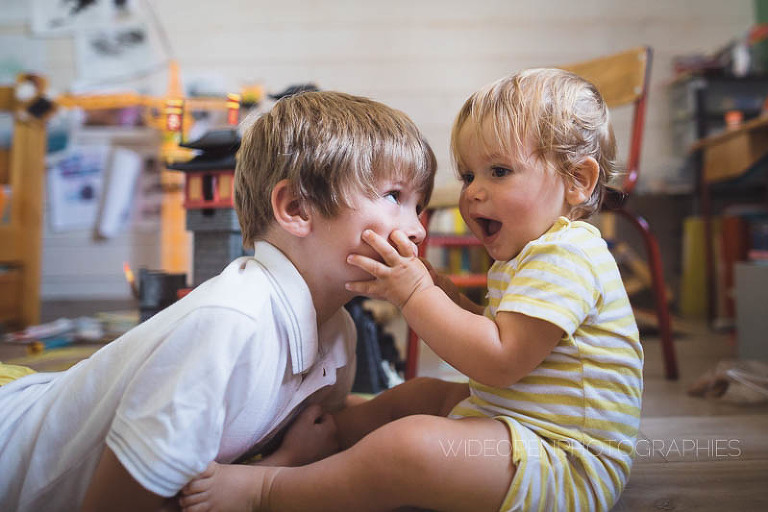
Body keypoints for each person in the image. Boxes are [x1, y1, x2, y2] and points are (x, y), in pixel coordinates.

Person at [179, 68, 644, 512]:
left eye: (499, 171)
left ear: (577, 181)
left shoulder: (566, 256)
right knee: (419, 396)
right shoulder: (540, 252)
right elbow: (494, 331)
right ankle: (323, 438)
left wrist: (416, 293)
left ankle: (270, 491)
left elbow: (500, 361)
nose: (474, 193)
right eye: (468, 175)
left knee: (409, 449)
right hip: (518, 426)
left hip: (565, 465)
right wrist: (437, 288)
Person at [0, 90, 437, 512]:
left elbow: (319, 425)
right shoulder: (229, 324)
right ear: (297, 209)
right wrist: (281, 469)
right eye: (394, 197)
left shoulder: (338, 328)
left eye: (419, 206)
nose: (416, 228)